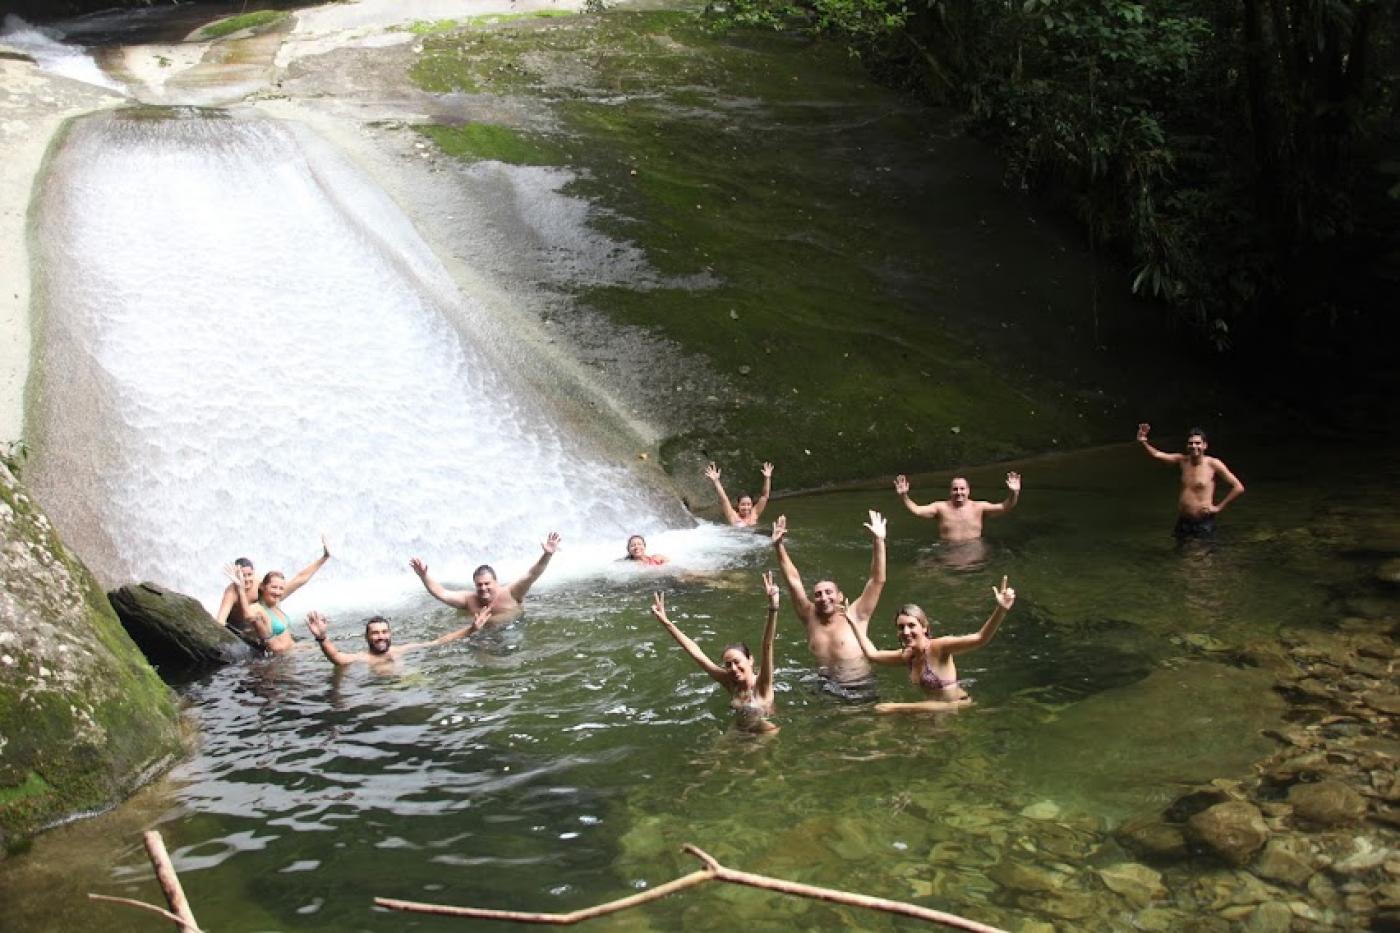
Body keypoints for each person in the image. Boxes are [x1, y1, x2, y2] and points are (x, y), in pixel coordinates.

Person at [848, 577, 1016, 713]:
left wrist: (1000, 610)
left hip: (956, 707)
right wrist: (852, 622)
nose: (906, 632)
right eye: (901, 627)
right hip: (931, 708)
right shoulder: (907, 655)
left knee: (889, 709)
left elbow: (980, 638)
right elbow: (872, 654)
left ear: (924, 627)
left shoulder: (940, 647)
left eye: (911, 625)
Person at [650, 573, 782, 733]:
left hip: (765, 731)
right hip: (740, 728)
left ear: (750, 660)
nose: (733, 668)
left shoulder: (762, 684)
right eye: (728, 665)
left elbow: (767, 645)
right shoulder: (729, 682)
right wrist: (666, 622)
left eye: (737, 662)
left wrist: (773, 607)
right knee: (707, 758)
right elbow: (695, 653)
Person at [771, 510, 886, 682]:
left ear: (840, 596)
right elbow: (793, 580)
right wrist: (778, 546)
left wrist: (879, 541)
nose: (823, 598)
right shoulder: (809, 616)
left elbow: (877, 580)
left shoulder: (856, 614)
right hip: (824, 685)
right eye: (818, 594)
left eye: (828, 592)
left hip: (858, 683)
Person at [409, 532, 561, 624]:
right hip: (481, 633)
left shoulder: (512, 592)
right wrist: (423, 575)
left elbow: (532, 574)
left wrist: (547, 554)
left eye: (487, 583)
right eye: (479, 585)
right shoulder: (468, 599)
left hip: (511, 627)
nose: (483, 588)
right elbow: (440, 593)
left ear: (496, 582)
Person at [1136, 424, 1245, 540]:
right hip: (1183, 520)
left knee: (1200, 556)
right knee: (1181, 553)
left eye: (1198, 443)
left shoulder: (1213, 464)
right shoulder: (1182, 460)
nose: (1194, 446)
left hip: (1202, 522)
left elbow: (1238, 487)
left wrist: (1218, 507)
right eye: (1191, 443)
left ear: (1205, 445)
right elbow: (1157, 454)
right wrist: (1143, 441)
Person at [223, 539, 333, 653]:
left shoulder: (274, 601)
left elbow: (300, 579)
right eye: (274, 587)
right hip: (279, 657)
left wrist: (324, 557)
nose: (278, 591)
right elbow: (247, 616)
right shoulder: (256, 607)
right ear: (263, 587)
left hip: (291, 649)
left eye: (281, 588)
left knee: (330, 648)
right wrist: (240, 588)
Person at [305, 607, 492, 669]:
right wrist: (322, 638)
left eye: (384, 632)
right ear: (367, 637)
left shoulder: (401, 649)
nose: (381, 637)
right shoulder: (363, 658)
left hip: (410, 683)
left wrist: (471, 629)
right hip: (381, 693)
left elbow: (439, 641)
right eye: (375, 633)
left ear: (390, 634)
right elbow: (337, 658)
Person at [893, 473, 1021, 542]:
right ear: (950, 491)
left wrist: (1014, 492)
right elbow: (917, 510)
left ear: (968, 491)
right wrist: (904, 496)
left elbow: (1005, 506)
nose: (959, 492)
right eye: (955, 489)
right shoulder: (940, 508)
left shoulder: (979, 507)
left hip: (974, 549)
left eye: (962, 489)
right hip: (948, 549)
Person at [704, 461, 773, 528]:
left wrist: (767, 478)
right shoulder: (733, 516)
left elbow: (765, 496)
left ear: (752, 505)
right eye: (743, 504)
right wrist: (716, 481)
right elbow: (724, 499)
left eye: (749, 504)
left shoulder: (754, 513)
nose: (746, 508)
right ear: (738, 505)